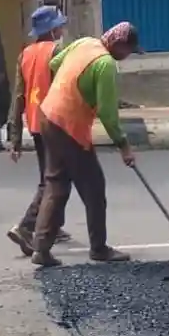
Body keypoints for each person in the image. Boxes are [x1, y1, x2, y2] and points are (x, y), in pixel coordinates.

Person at [30, 21, 143, 268]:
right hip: (69, 128)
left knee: (57, 184)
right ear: (119, 44)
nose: (126, 57)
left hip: (48, 116)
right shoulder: (105, 65)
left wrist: (64, 92)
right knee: (94, 187)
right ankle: (99, 248)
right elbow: (107, 113)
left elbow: (53, 64)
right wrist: (123, 146)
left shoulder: (84, 43)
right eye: (128, 51)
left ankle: (40, 248)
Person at [5, 5, 72, 256]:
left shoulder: (25, 55)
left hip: (35, 124)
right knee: (52, 180)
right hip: (54, 123)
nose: (62, 29)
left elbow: (18, 97)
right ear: (53, 30)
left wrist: (15, 137)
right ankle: (26, 226)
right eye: (60, 26)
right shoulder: (58, 52)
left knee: (51, 174)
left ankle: (53, 223)